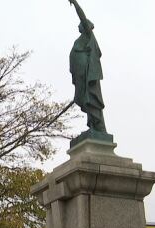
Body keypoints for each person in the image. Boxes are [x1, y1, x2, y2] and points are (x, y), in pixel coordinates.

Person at [68, 0, 106, 134]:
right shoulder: (81, 38)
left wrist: (75, 4)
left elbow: (82, 16)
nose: (79, 25)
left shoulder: (88, 35)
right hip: (80, 74)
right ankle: (93, 127)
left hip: (87, 72)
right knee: (84, 98)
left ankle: (98, 127)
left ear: (86, 26)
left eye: (81, 24)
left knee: (90, 98)